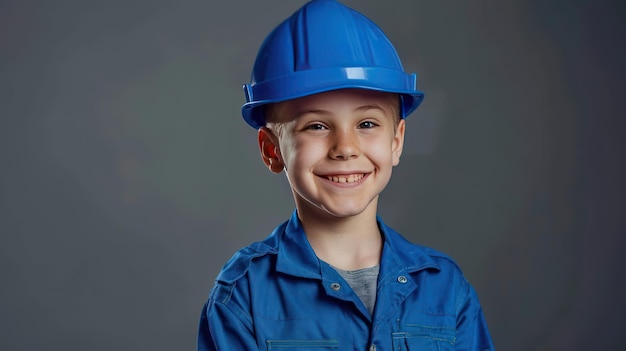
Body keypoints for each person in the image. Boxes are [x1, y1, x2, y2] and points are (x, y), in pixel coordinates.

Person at [198, 1, 495, 350]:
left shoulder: (444, 288)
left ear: (396, 141)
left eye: (366, 124)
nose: (345, 147)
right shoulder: (243, 295)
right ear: (272, 149)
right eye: (317, 126)